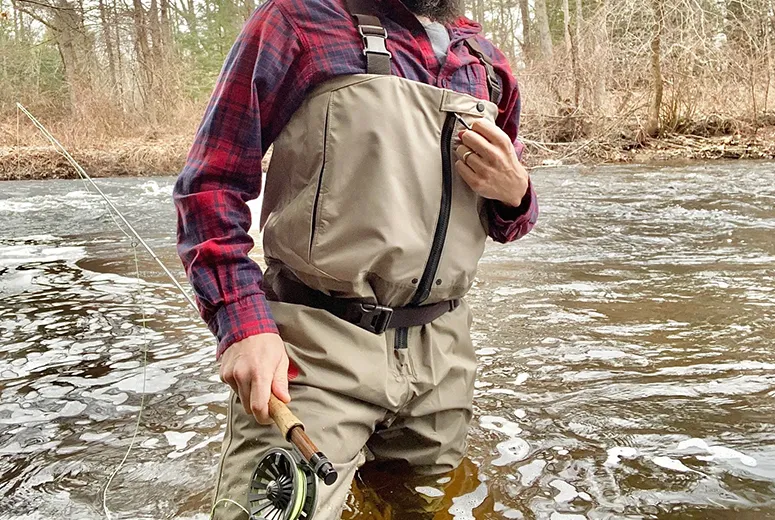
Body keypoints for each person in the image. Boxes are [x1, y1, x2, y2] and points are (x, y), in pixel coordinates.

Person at [173, 0, 538, 517]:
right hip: (315, 345)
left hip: (444, 353)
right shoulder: (296, 20)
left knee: (430, 507)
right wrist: (243, 326)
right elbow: (210, 186)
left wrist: (517, 191)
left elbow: (510, 219)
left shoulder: (485, 63)